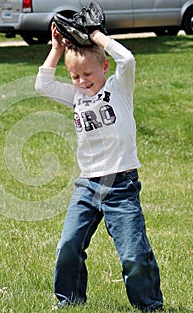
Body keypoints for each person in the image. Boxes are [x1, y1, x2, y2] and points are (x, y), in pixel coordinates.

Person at [35, 23, 163, 311]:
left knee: (133, 255)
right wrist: (56, 48)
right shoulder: (77, 96)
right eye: (74, 76)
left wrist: (95, 36)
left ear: (105, 66)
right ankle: (69, 301)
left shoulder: (119, 87)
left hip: (121, 185)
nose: (81, 81)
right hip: (87, 185)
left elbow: (127, 59)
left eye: (87, 74)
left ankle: (149, 305)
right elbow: (42, 84)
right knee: (68, 245)